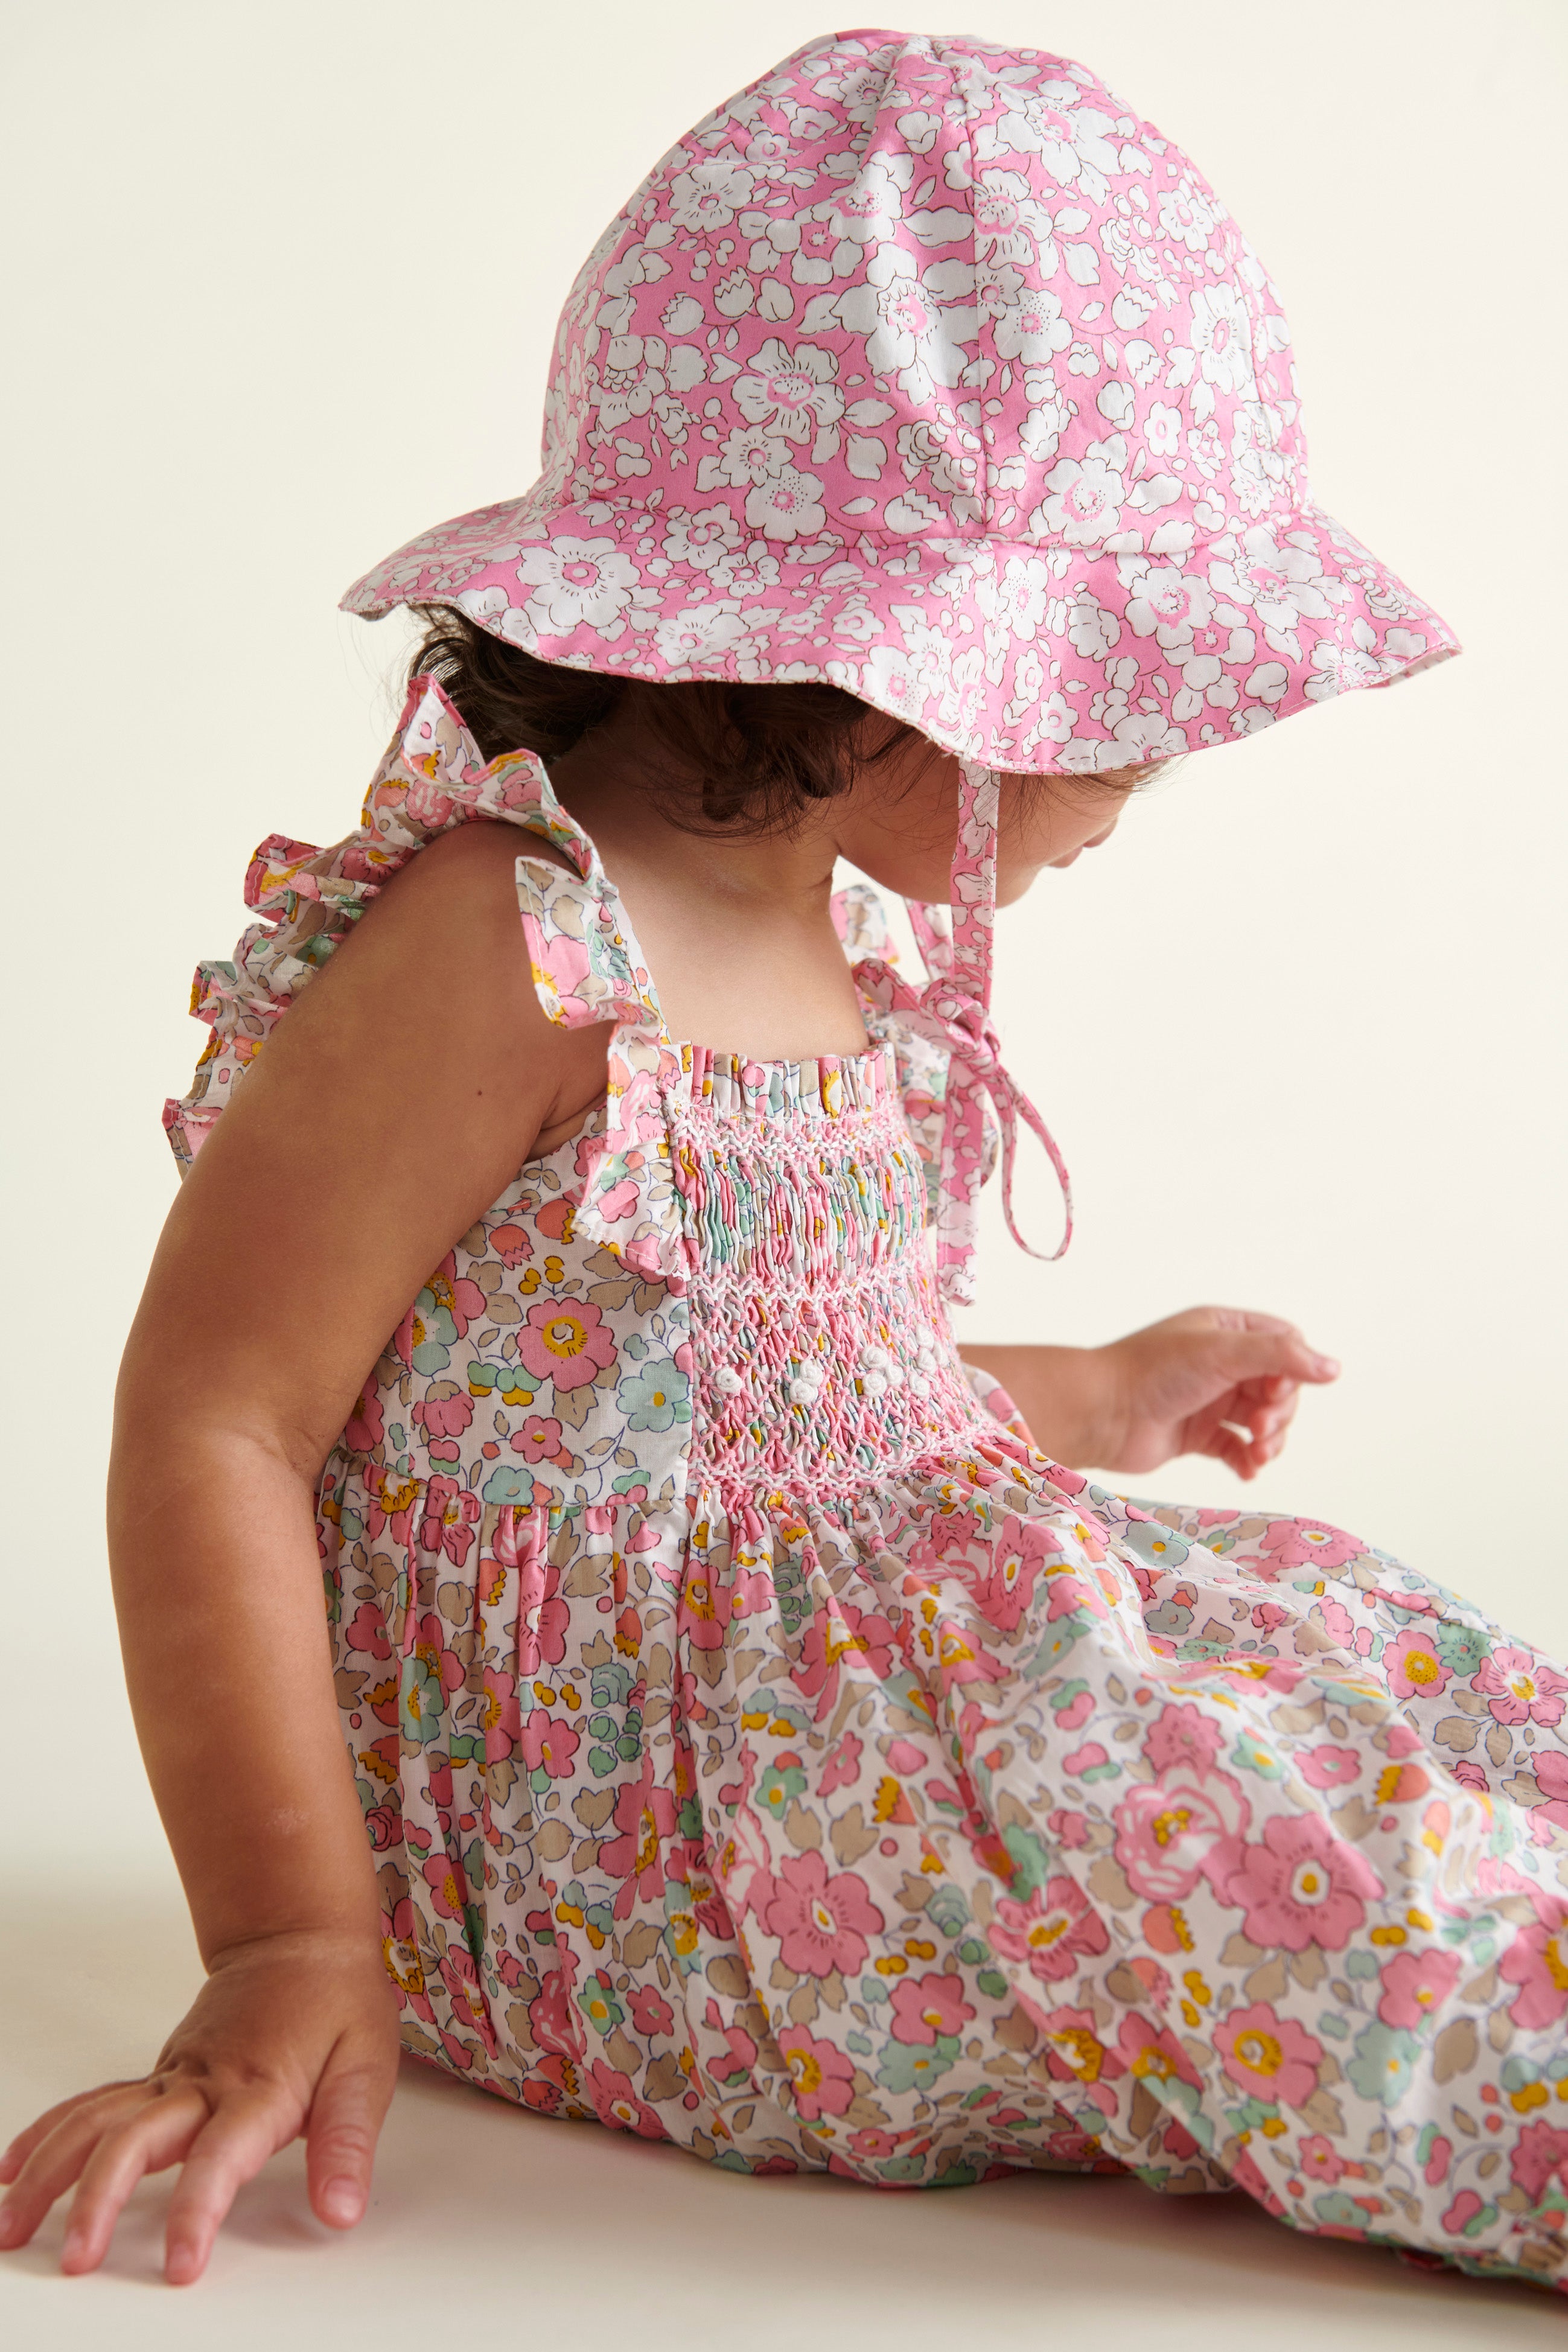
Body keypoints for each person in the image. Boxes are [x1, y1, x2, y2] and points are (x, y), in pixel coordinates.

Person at [4, 26, 1561, 2298]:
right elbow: (221, 1408)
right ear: (913, 670)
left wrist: (1093, 1391)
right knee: (1265, 1877)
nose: (1140, 783)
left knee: (1357, 1671)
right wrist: (283, 1931)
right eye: (1126, 712)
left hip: (852, 1686)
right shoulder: (511, 940)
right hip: (662, 1852)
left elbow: (753, 1414)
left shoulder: (824, 927)